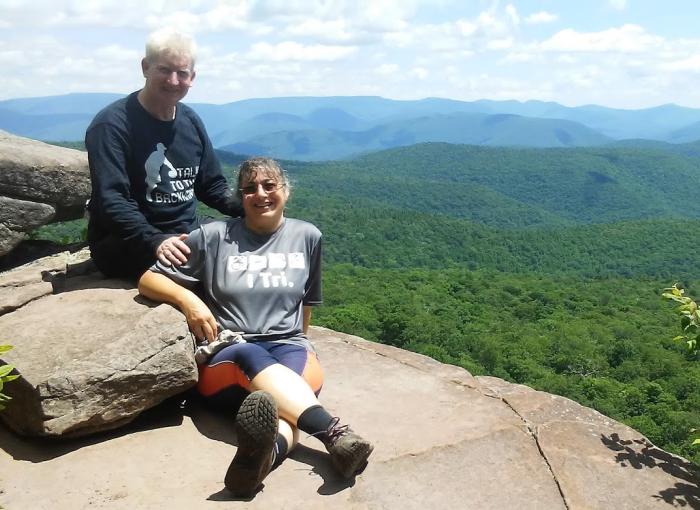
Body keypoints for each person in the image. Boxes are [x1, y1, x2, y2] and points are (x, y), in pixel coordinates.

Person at [138, 157, 373, 497]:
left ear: (285, 191)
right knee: (256, 360)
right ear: (240, 197)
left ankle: (263, 458)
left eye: (269, 185)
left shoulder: (308, 236)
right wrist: (191, 301)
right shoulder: (214, 236)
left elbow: (307, 304)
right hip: (229, 357)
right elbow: (149, 279)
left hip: (288, 347)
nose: (260, 194)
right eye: (249, 189)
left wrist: (301, 344)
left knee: (285, 404)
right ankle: (334, 433)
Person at [85, 28, 242, 279]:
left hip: (185, 231)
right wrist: (156, 240)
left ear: (192, 77)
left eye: (182, 73)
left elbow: (211, 186)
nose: (173, 81)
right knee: (226, 274)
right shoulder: (112, 125)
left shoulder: (189, 120)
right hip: (127, 241)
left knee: (254, 244)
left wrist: (251, 208)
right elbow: (111, 199)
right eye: (164, 70)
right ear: (146, 67)